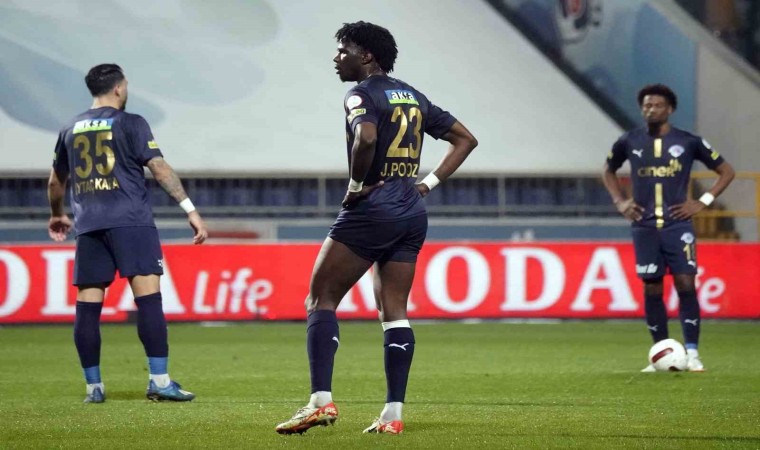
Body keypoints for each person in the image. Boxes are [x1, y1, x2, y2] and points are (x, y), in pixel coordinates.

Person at [275, 22, 477, 435]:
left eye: (343, 50)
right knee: (394, 312)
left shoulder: (361, 94)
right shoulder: (413, 96)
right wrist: (426, 185)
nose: (336, 58)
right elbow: (465, 139)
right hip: (411, 211)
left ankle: (320, 402)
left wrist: (354, 188)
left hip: (373, 208)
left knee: (320, 299)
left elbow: (365, 138)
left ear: (366, 55)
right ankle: (392, 414)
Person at [47, 63, 208, 403]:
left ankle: (93, 387)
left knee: (87, 307)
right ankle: (159, 381)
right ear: (119, 88)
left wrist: (57, 214)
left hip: (89, 225)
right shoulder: (131, 122)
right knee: (148, 300)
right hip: (131, 220)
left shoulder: (69, 128)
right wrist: (190, 209)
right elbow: (159, 168)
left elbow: (55, 182)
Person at [602, 83, 735, 372]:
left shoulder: (689, 141)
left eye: (657, 105)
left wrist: (702, 202)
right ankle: (661, 353)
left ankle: (693, 353)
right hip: (644, 225)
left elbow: (726, 171)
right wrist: (620, 202)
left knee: (685, 283)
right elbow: (608, 170)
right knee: (652, 287)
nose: (651, 110)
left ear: (670, 109)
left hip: (678, 224)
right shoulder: (629, 140)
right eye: (647, 105)